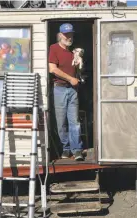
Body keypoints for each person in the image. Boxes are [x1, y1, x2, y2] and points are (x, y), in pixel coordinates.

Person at [48, 23, 84, 161]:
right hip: (60, 89)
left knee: (74, 121)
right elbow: (52, 69)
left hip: (72, 90)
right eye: (67, 34)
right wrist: (71, 79)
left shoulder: (72, 52)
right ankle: (66, 148)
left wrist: (79, 60)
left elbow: (78, 72)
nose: (69, 37)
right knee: (61, 122)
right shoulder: (54, 48)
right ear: (60, 35)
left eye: (71, 34)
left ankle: (77, 150)